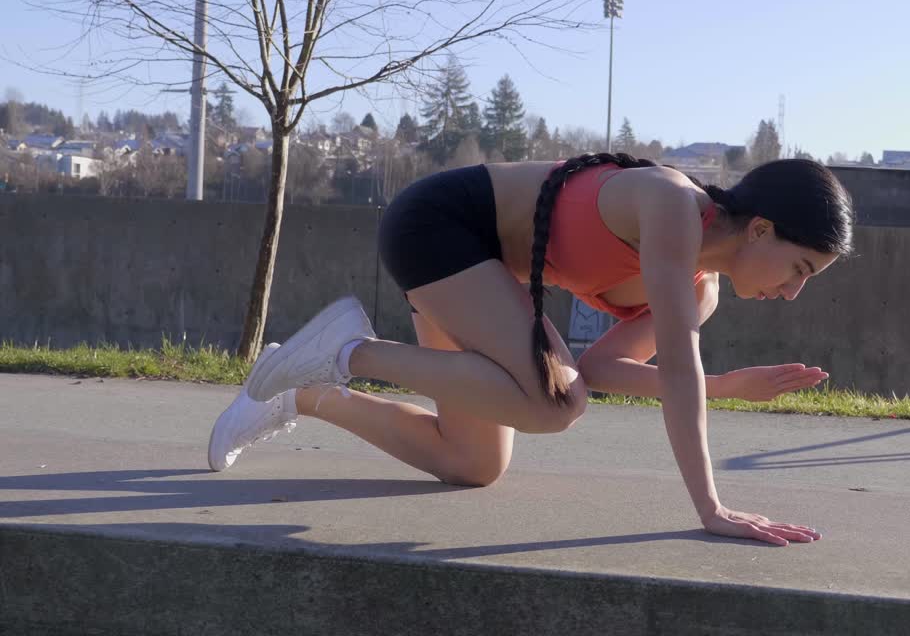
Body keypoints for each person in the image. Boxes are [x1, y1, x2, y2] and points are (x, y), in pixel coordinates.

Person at [208, 154, 852, 547]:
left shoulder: (701, 291)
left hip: (484, 279)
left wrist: (727, 387)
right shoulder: (672, 205)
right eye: (798, 268)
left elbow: (599, 368)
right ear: (761, 228)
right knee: (553, 406)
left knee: (471, 463)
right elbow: (677, 371)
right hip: (439, 227)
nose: (793, 292)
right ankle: (347, 351)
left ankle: (302, 389)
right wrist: (710, 508)